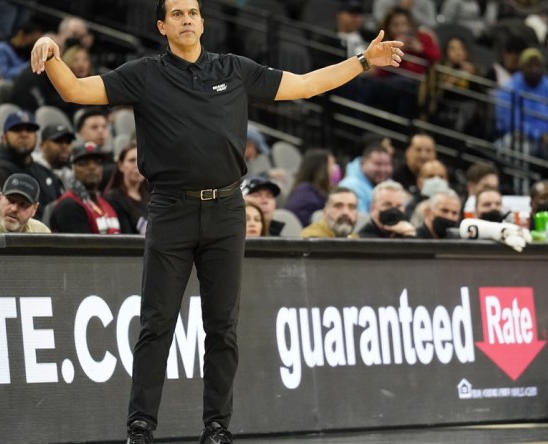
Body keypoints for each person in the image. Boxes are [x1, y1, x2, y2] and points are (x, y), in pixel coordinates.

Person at [30, 0, 403, 441]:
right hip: (170, 209)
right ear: (162, 26)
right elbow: (75, 91)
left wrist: (361, 62)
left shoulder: (234, 69)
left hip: (227, 210)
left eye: (193, 12)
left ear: (203, 21)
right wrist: (50, 49)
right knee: (156, 324)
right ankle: (140, 427)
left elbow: (305, 85)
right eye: (177, 14)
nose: (186, 19)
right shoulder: (145, 74)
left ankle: (217, 428)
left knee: (222, 327)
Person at [0, 110, 64, 210]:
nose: (24, 134)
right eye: (17, 129)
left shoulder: (43, 171)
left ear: (36, 136)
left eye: (30, 129)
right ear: (3, 138)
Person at [49, 142, 121, 234]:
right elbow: (83, 247)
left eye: (97, 162)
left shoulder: (107, 203)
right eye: (83, 163)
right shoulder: (69, 206)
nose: (92, 167)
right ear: (72, 168)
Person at [104, 144, 150, 234]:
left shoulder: (151, 197)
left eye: (141, 160)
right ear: (121, 166)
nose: (137, 165)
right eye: (131, 160)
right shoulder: (113, 198)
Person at [339, 140, 393, 213]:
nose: (383, 170)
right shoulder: (350, 186)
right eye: (378, 164)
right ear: (363, 163)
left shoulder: (387, 181)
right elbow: (361, 221)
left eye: (386, 164)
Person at [284, 148, 335, 227]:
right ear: (321, 168)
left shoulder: (316, 191)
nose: (334, 170)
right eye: (331, 164)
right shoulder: (305, 196)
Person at [33, 124, 76, 190]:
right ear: (42, 145)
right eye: (58, 141)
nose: (64, 146)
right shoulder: (32, 168)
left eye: (68, 142)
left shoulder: (73, 172)